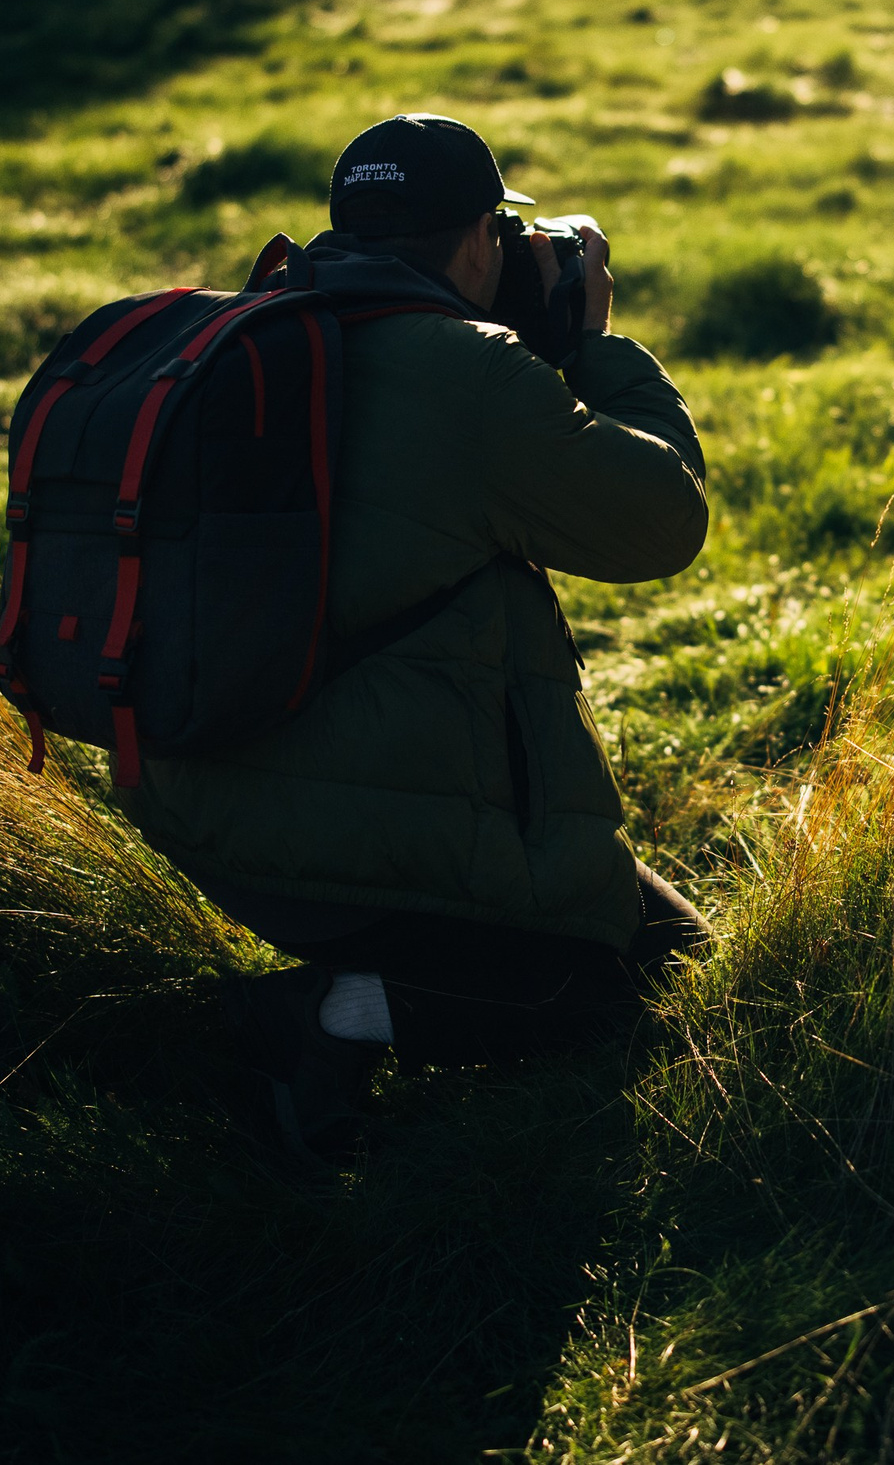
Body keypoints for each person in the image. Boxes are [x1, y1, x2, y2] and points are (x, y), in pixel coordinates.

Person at [119, 112, 712, 1155]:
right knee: (633, 986)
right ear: (480, 237)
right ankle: (317, 1015)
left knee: (668, 943)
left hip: (196, 791)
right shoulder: (467, 374)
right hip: (348, 833)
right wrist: (591, 348)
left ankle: (329, 993)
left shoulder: (260, 327)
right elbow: (659, 519)